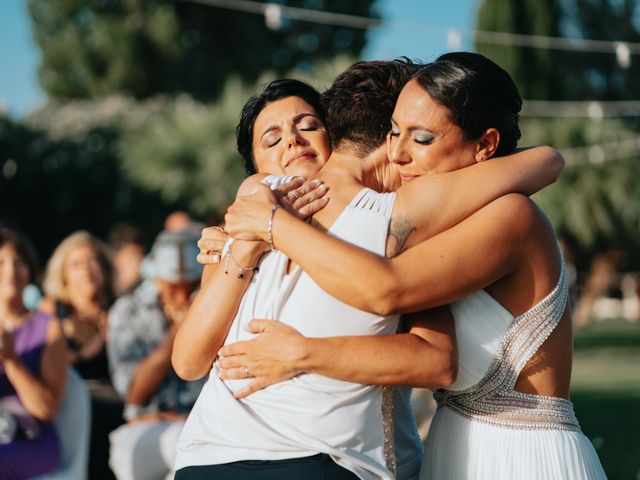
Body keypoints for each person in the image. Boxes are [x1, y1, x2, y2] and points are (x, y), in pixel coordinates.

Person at [219, 53, 606, 479]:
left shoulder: (512, 217)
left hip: (520, 455)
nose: (397, 154)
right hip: (450, 446)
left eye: (420, 138)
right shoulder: (430, 226)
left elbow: (388, 290)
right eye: (394, 132)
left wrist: (273, 225)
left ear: (485, 146)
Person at [107, 229, 205, 480]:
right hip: (142, 430)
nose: (183, 297)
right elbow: (133, 393)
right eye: (174, 288)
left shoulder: (216, 308)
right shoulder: (127, 310)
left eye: (191, 287)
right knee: (183, 444)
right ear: (158, 279)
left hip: (201, 428)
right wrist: (177, 333)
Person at [0, 227, 68, 479]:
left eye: (18, 263)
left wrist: (10, 360)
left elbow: (45, 409)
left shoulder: (47, 326)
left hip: (32, 441)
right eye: (1, 262)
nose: (10, 271)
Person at [41, 230, 114, 381]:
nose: (86, 270)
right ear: (63, 274)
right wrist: (93, 346)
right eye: (76, 264)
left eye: (92, 261)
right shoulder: (50, 310)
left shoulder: (120, 308)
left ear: (104, 267)